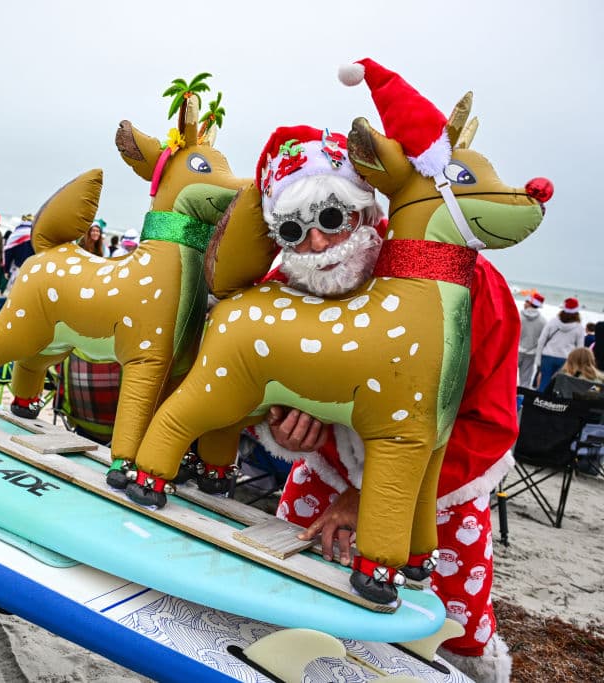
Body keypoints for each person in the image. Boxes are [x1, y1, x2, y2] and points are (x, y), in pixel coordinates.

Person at [249, 125, 517, 680]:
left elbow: (487, 423)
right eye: (294, 230)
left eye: (332, 219)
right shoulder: (289, 282)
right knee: (281, 598)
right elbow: (261, 380)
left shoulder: (469, 285)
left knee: (444, 637)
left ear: (367, 211)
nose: (316, 245)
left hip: (437, 490)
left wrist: (372, 497)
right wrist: (283, 429)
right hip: (327, 469)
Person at [535, 298, 584, 392]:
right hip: (566, 359)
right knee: (559, 386)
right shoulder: (579, 328)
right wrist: (578, 365)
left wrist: (538, 359)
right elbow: (580, 349)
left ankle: (539, 399)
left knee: (543, 382)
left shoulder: (553, 322)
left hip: (548, 356)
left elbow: (541, 340)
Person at [518, 292, 546, 387]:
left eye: (526, 301)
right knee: (525, 380)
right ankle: (520, 395)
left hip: (515, 350)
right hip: (531, 353)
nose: (524, 303)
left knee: (507, 376)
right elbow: (543, 339)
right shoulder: (543, 321)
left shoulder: (518, 316)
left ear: (530, 303)